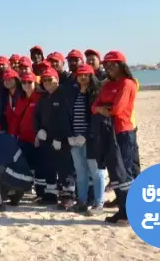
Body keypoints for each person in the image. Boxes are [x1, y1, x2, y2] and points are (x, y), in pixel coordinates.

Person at [92, 50, 138, 225]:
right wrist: (103, 108)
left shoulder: (127, 83)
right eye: (106, 65)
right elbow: (94, 106)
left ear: (121, 65)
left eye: (112, 65)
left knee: (124, 173)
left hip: (123, 132)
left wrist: (104, 108)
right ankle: (122, 210)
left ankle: (129, 212)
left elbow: (117, 110)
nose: (108, 68)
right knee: (115, 173)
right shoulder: (107, 84)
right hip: (108, 132)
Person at [33, 68, 75, 206]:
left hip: (61, 139)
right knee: (48, 165)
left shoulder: (65, 95)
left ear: (57, 79)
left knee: (65, 167)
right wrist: (38, 130)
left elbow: (67, 119)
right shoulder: (44, 98)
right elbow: (36, 117)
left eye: (50, 79)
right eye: (44, 80)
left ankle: (68, 195)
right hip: (46, 138)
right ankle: (51, 193)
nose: (46, 82)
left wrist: (61, 138)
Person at [67, 64, 104, 215]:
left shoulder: (96, 93)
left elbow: (97, 118)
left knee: (96, 171)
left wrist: (87, 135)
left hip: (92, 139)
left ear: (91, 76)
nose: (82, 77)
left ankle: (98, 203)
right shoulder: (73, 93)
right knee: (80, 171)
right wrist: (70, 135)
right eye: (80, 75)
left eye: (86, 75)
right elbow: (69, 116)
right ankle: (82, 201)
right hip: (75, 139)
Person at [8, 72, 41, 196]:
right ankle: (26, 186)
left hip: (36, 138)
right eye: (24, 82)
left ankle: (38, 188)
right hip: (23, 138)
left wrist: (40, 135)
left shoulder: (40, 97)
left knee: (37, 164)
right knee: (24, 164)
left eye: (29, 82)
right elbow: (16, 118)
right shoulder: (21, 98)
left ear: (35, 83)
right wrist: (13, 134)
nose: (27, 85)